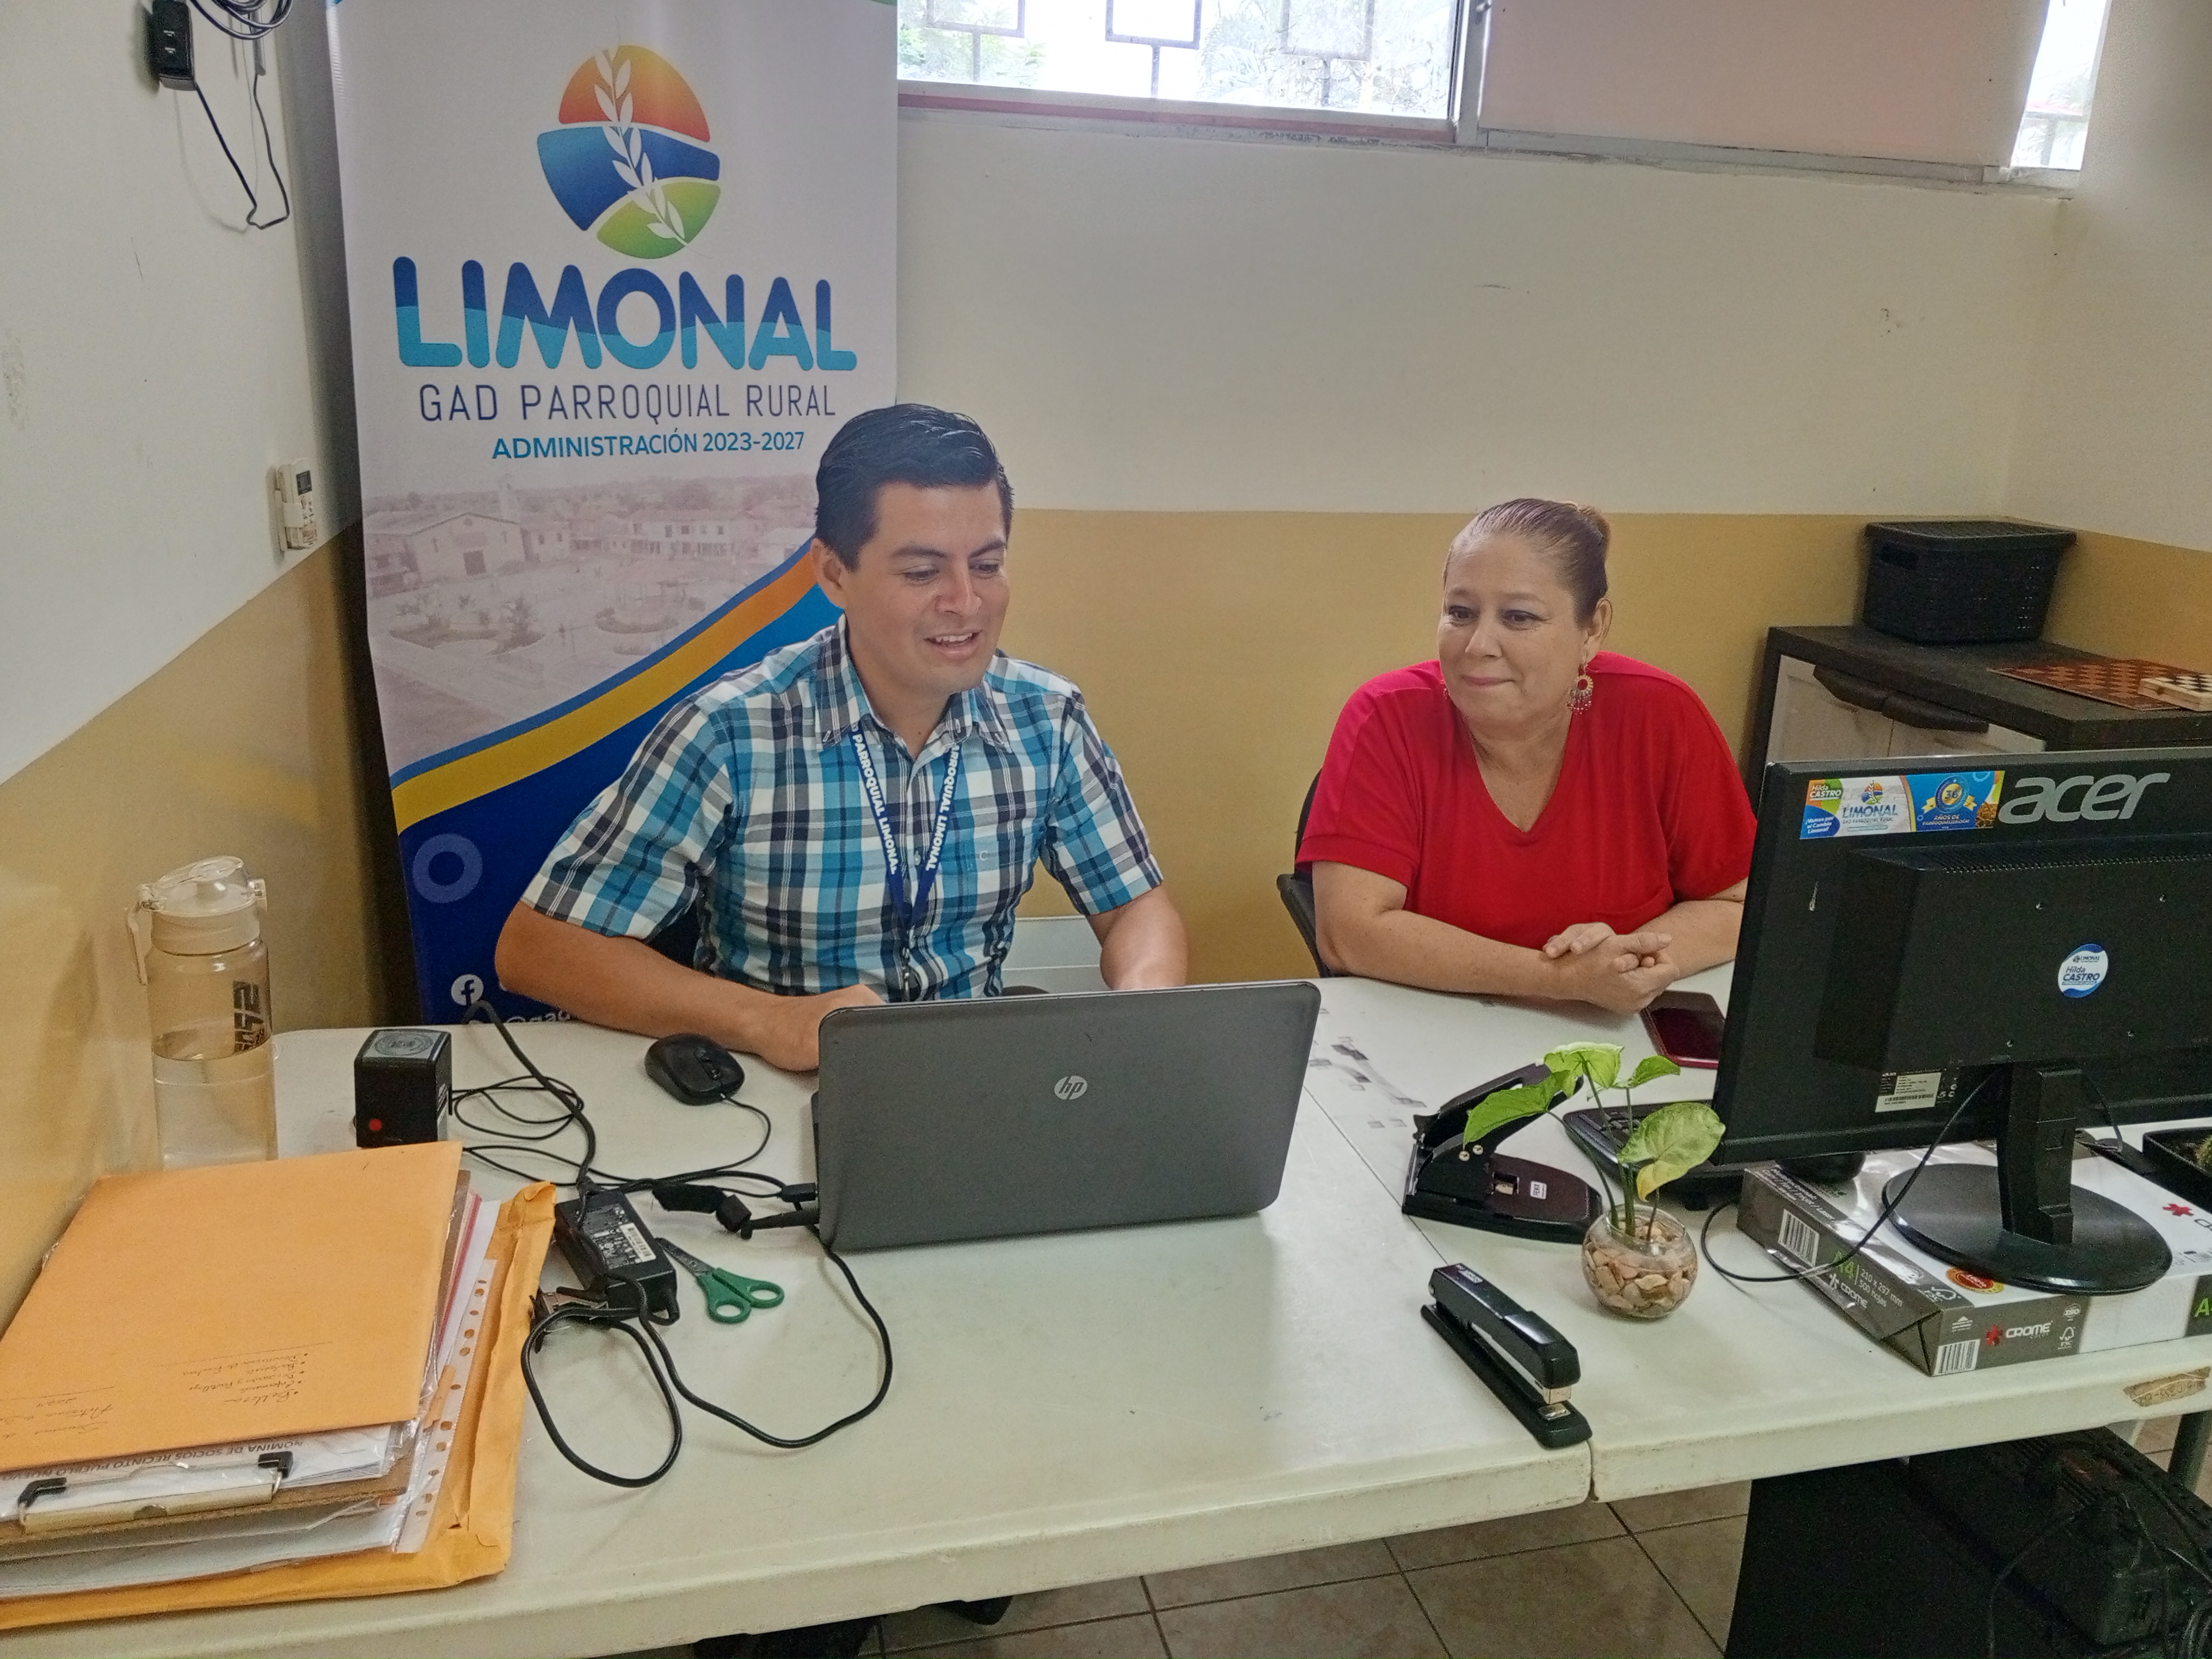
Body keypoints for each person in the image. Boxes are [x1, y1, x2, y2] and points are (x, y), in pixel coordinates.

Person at [496, 404, 1188, 1071]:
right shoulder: (731, 731)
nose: (965, 601)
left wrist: (1140, 1013)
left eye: (985, 565)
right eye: (921, 573)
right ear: (833, 574)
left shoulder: (1046, 718)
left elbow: (1134, 905)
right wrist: (766, 1021)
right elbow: (537, 949)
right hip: (783, 1090)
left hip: (974, 1080)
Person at [1299, 497, 1754, 1012]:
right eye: (1460, 613)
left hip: (1615, 1036)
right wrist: (1563, 978)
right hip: (1426, 1035)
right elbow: (1350, 934)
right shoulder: (1385, 716)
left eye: (1519, 617)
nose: (1478, 645)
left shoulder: (1662, 715)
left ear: (1592, 629)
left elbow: (1740, 904)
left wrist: (1631, 964)